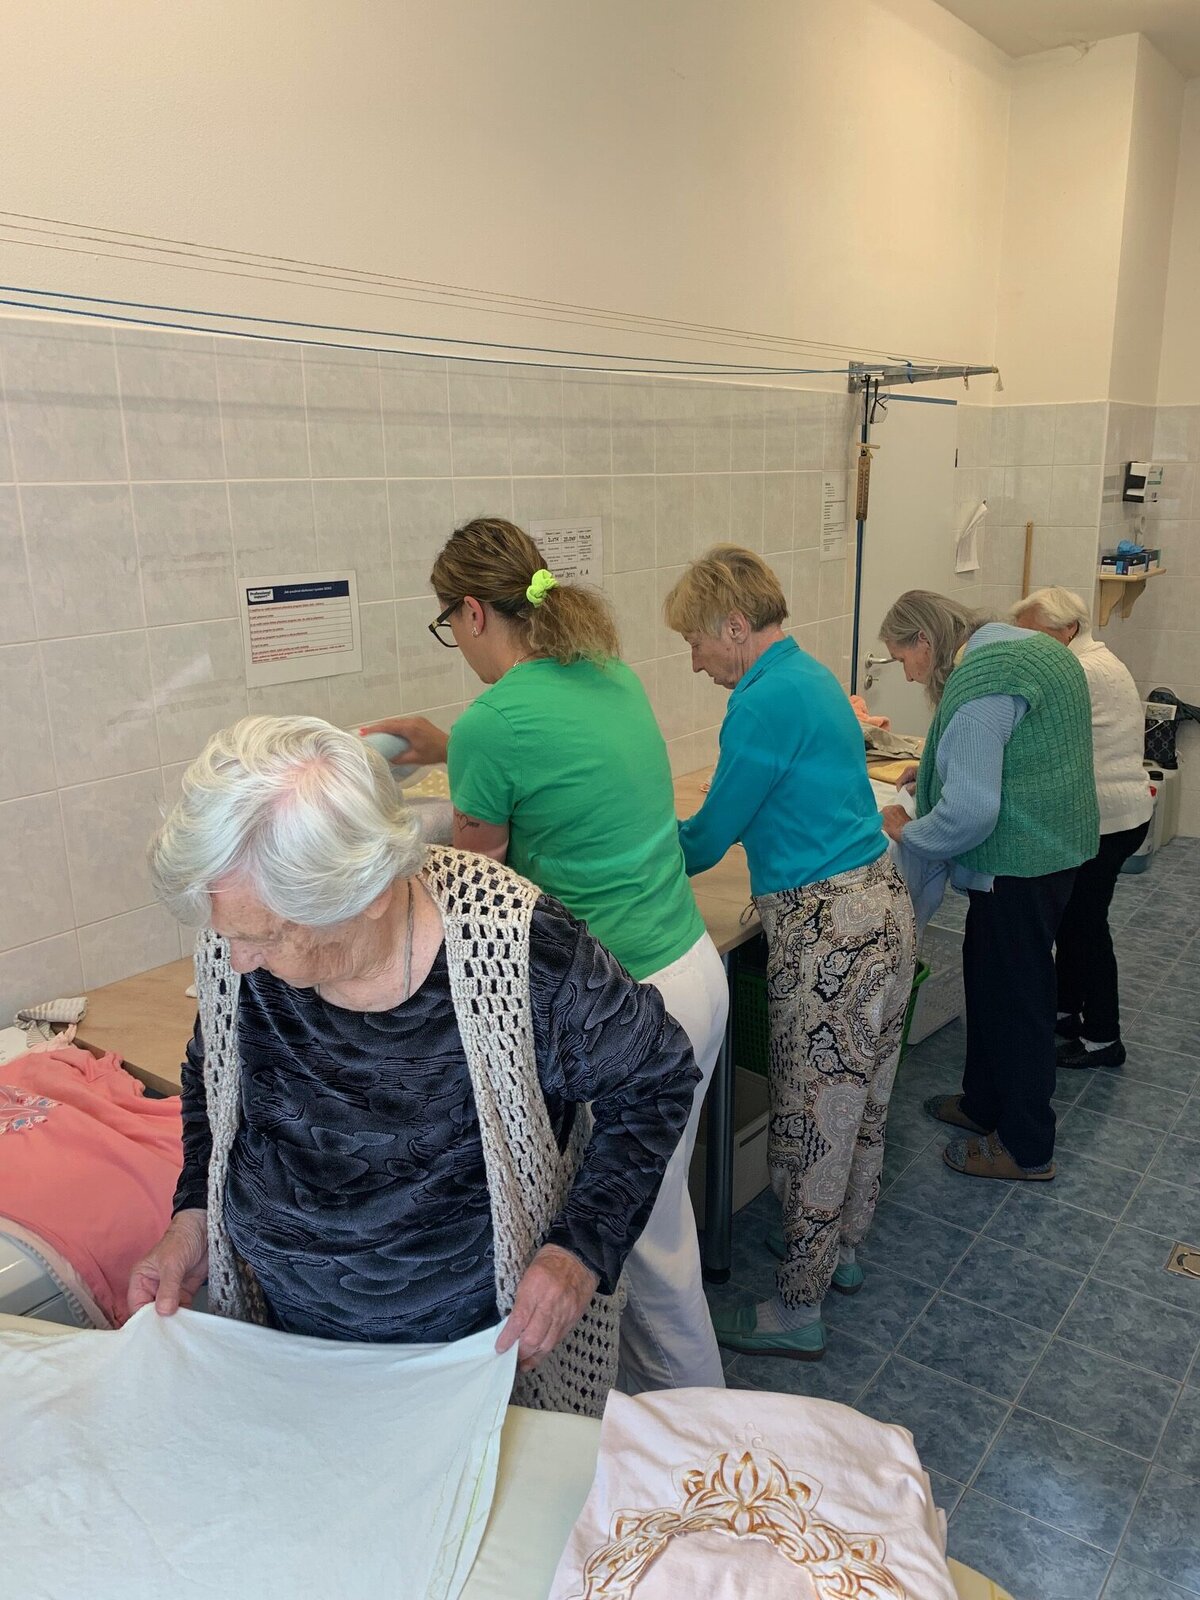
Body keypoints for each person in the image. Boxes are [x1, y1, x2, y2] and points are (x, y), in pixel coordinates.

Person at [127, 716, 700, 1420]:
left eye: (266, 936)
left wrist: (578, 1251)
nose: (237, 960)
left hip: (472, 1360)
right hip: (287, 1343)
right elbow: (212, 1080)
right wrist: (193, 1214)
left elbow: (654, 1079)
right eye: (229, 935)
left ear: (367, 893)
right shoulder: (235, 940)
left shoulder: (514, 947)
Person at [364, 518, 727, 1395]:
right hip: (690, 968)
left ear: (471, 613)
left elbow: (475, 889)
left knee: (645, 1240)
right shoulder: (606, 671)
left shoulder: (494, 720)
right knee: (657, 1222)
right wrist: (452, 746)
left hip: (626, 1007)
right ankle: (649, 1416)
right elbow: (555, 768)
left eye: (449, 626)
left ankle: (699, 1429)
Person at [664, 545, 915, 1363]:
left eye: (697, 640)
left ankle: (796, 1308)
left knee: (814, 1119)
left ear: (736, 626)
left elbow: (705, 841)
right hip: (881, 905)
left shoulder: (762, 704)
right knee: (862, 1104)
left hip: (830, 935)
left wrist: (629, 835)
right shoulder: (809, 675)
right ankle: (840, 1250)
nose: (694, 660)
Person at [878, 591, 1099, 1184]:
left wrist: (910, 832)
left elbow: (971, 812)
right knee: (988, 978)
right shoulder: (1018, 644)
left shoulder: (980, 684)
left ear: (925, 641)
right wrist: (933, 769)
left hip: (1021, 864)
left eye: (903, 659)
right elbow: (1016, 747)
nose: (908, 674)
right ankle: (983, 1104)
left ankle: (1026, 1148)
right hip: (1055, 844)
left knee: (1019, 1001)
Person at [1010, 587, 1152, 1069]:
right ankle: (1067, 1011)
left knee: (1086, 926)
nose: (1027, 646)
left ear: (1068, 629)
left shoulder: (1080, 671)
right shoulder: (1095, 660)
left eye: (1034, 636)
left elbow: (1027, 734)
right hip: (1120, 811)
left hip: (1106, 819)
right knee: (1074, 919)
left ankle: (1103, 1039)